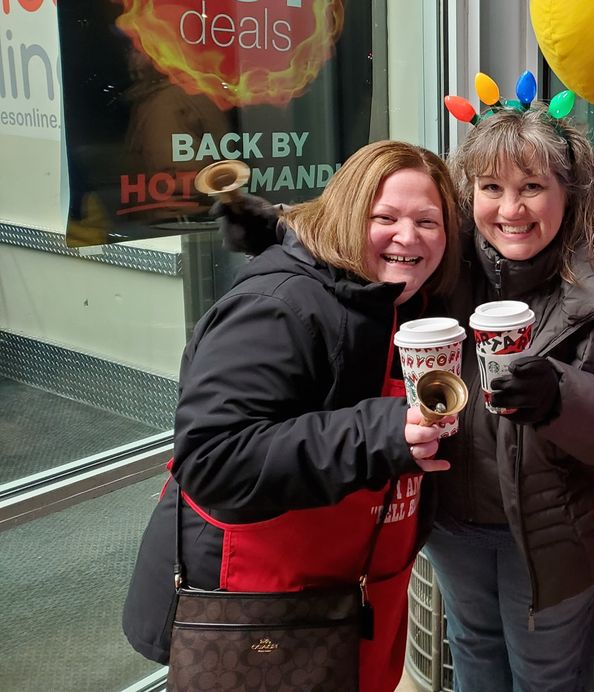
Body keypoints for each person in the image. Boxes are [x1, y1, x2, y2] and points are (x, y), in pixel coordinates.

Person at [122, 140, 460, 692]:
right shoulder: (278, 306)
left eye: (428, 221)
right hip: (261, 608)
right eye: (385, 217)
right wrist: (380, 432)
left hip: (351, 593)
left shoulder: (399, 299)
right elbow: (212, 458)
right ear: (348, 217)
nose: (409, 236)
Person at [427, 102, 594, 692]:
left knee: (547, 674)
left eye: (532, 187)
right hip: (452, 520)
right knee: (473, 648)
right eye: (491, 186)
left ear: (569, 190)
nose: (510, 209)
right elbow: (366, 240)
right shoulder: (440, 263)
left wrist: (561, 398)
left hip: (554, 531)